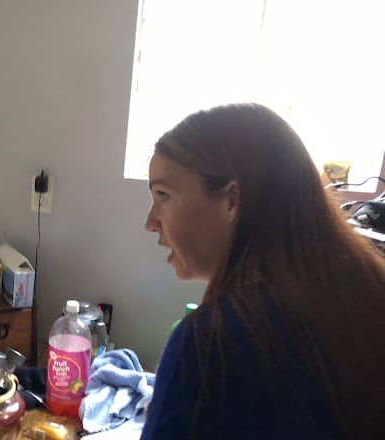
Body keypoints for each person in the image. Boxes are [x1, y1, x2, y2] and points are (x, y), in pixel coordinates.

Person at [140, 103, 385, 439]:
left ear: (232, 200)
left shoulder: (212, 343)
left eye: (163, 196)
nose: (150, 222)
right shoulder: (365, 294)